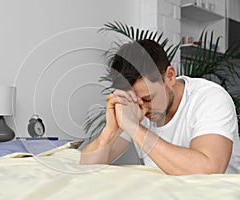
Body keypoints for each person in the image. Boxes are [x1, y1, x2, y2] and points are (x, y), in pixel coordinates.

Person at [80, 39, 240, 175]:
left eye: (148, 98)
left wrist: (134, 127)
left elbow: (208, 169)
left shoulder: (210, 98)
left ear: (169, 76)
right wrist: (110, 131)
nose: (143, 109)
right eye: (135, 102)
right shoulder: (136, 105)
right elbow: (87, 168)